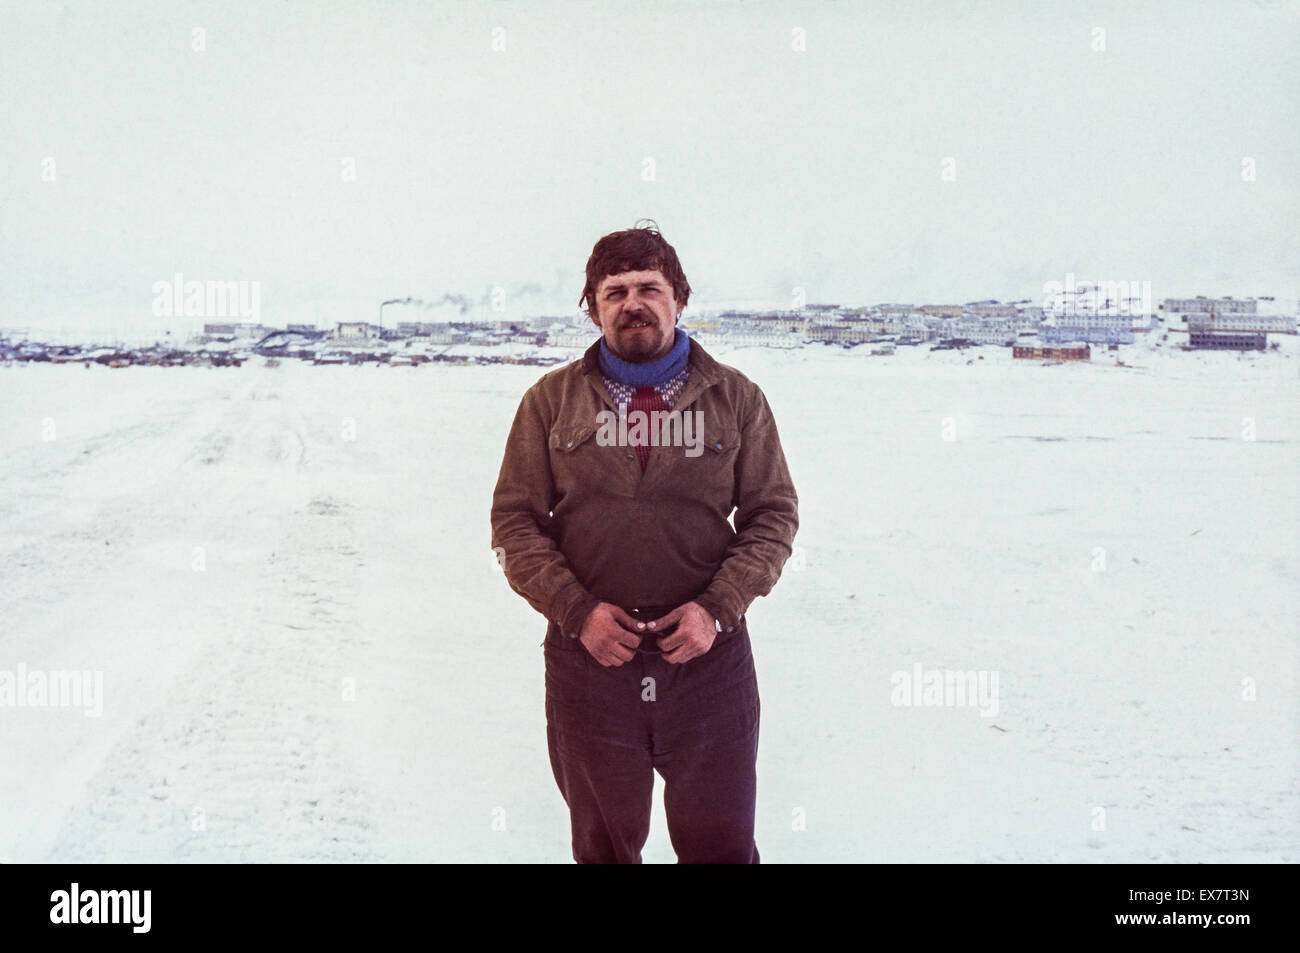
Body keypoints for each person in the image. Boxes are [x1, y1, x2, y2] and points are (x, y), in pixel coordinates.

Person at [489, 222, 799, 863]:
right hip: (591, 669)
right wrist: (578, 613)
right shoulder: (549, 403)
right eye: (615, 291)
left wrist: (717, 609)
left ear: (679, 298)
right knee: (603, 849)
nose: (633, 303)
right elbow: (516, 523)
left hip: (709, 668)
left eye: (649, 288)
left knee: (722, 848)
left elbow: (772, 516)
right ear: (594, 307)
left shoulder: (736, 399)